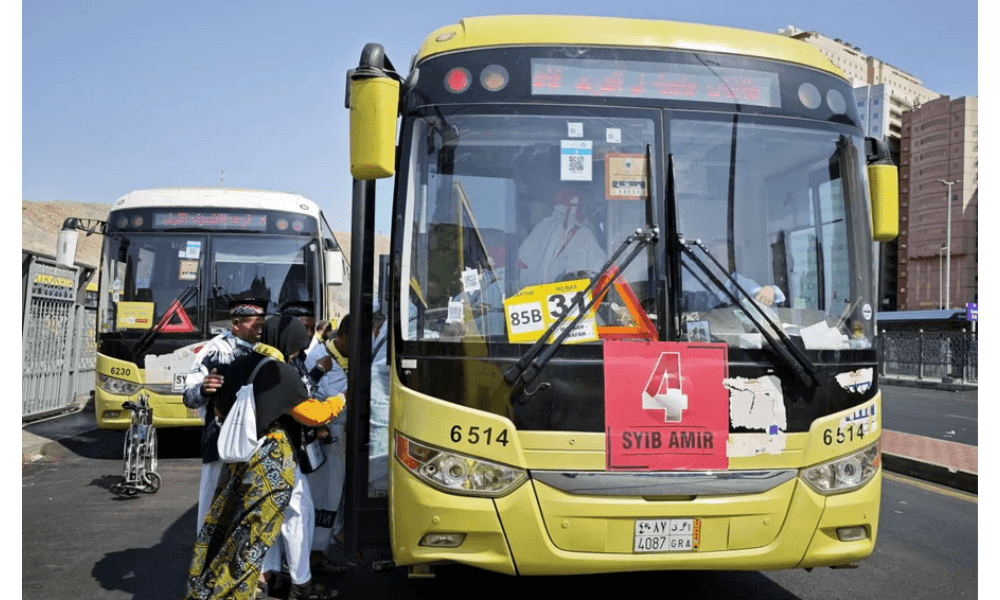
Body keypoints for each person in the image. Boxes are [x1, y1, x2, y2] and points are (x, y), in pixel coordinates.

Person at [185, 316, 342, 600]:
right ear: (286, 343)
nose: (295, 355)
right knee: (292, 516)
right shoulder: (279, 371)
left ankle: (261, 579)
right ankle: (296, 584)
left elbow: (220, 410)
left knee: (247, 522)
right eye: (295, 348)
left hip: (239, 456)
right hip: (272, 458)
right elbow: (313, 414)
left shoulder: (238, 365)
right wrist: (342, 398)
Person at [183, 297, 267, 534]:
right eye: (255, 325)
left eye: (263, 325)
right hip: (221, 438)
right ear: (237, 323)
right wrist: (203, 388)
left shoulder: (267, 348)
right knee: (214, 501)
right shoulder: (215, 351)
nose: (261, 331)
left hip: (256, 438)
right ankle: (206, 559)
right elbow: (188, 396)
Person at [518, 185, 606, 288]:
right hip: (553, 293)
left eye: (575, 205)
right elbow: (523, 259)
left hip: (562, 293)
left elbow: (600, 266)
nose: (572, 210)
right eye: (571, 205)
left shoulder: (543, 227)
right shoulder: (544, 228)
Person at [681, 239, 785, 312]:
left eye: (714, 256)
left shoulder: (740, 283)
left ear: (730, 262)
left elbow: (775, 295)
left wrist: (770, 290)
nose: (708, 260)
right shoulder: (697, 282)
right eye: (707, 257)